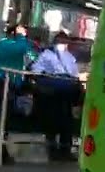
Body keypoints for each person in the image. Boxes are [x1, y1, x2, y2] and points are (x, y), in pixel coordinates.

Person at [0, 24, 35, 160]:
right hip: (1, 82)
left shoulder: (22, 44)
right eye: (21, 31)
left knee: (4, 118)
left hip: (12, 84)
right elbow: (19, 49)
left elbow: (32, 55)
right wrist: (21, 36)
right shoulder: (4, 44)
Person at [30, 32, 82, 161]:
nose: (62, 44)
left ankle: (65, 150)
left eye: (65, 41)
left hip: (67, 91)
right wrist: (46, 76)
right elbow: (35, 69)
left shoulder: (70, 57)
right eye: (60, 41)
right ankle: (52, 150)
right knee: (52, 121)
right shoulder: (47, 55)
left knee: (67, 121)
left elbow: (74, 74)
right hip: (52, 92)